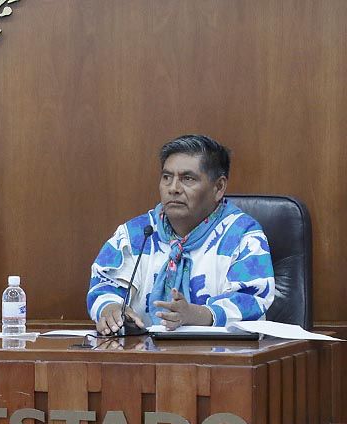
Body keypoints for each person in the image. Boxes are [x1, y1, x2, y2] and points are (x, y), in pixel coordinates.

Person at [88, 134, 274, 335]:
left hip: (222, 358)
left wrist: (197, 315)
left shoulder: (242, 235)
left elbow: (252, 300)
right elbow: (104, 286)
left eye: (187, 178)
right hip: (143, 357)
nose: (173, 188)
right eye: (167, 177)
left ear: (218, 187)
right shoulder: (136, 234)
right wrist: (111, 310)